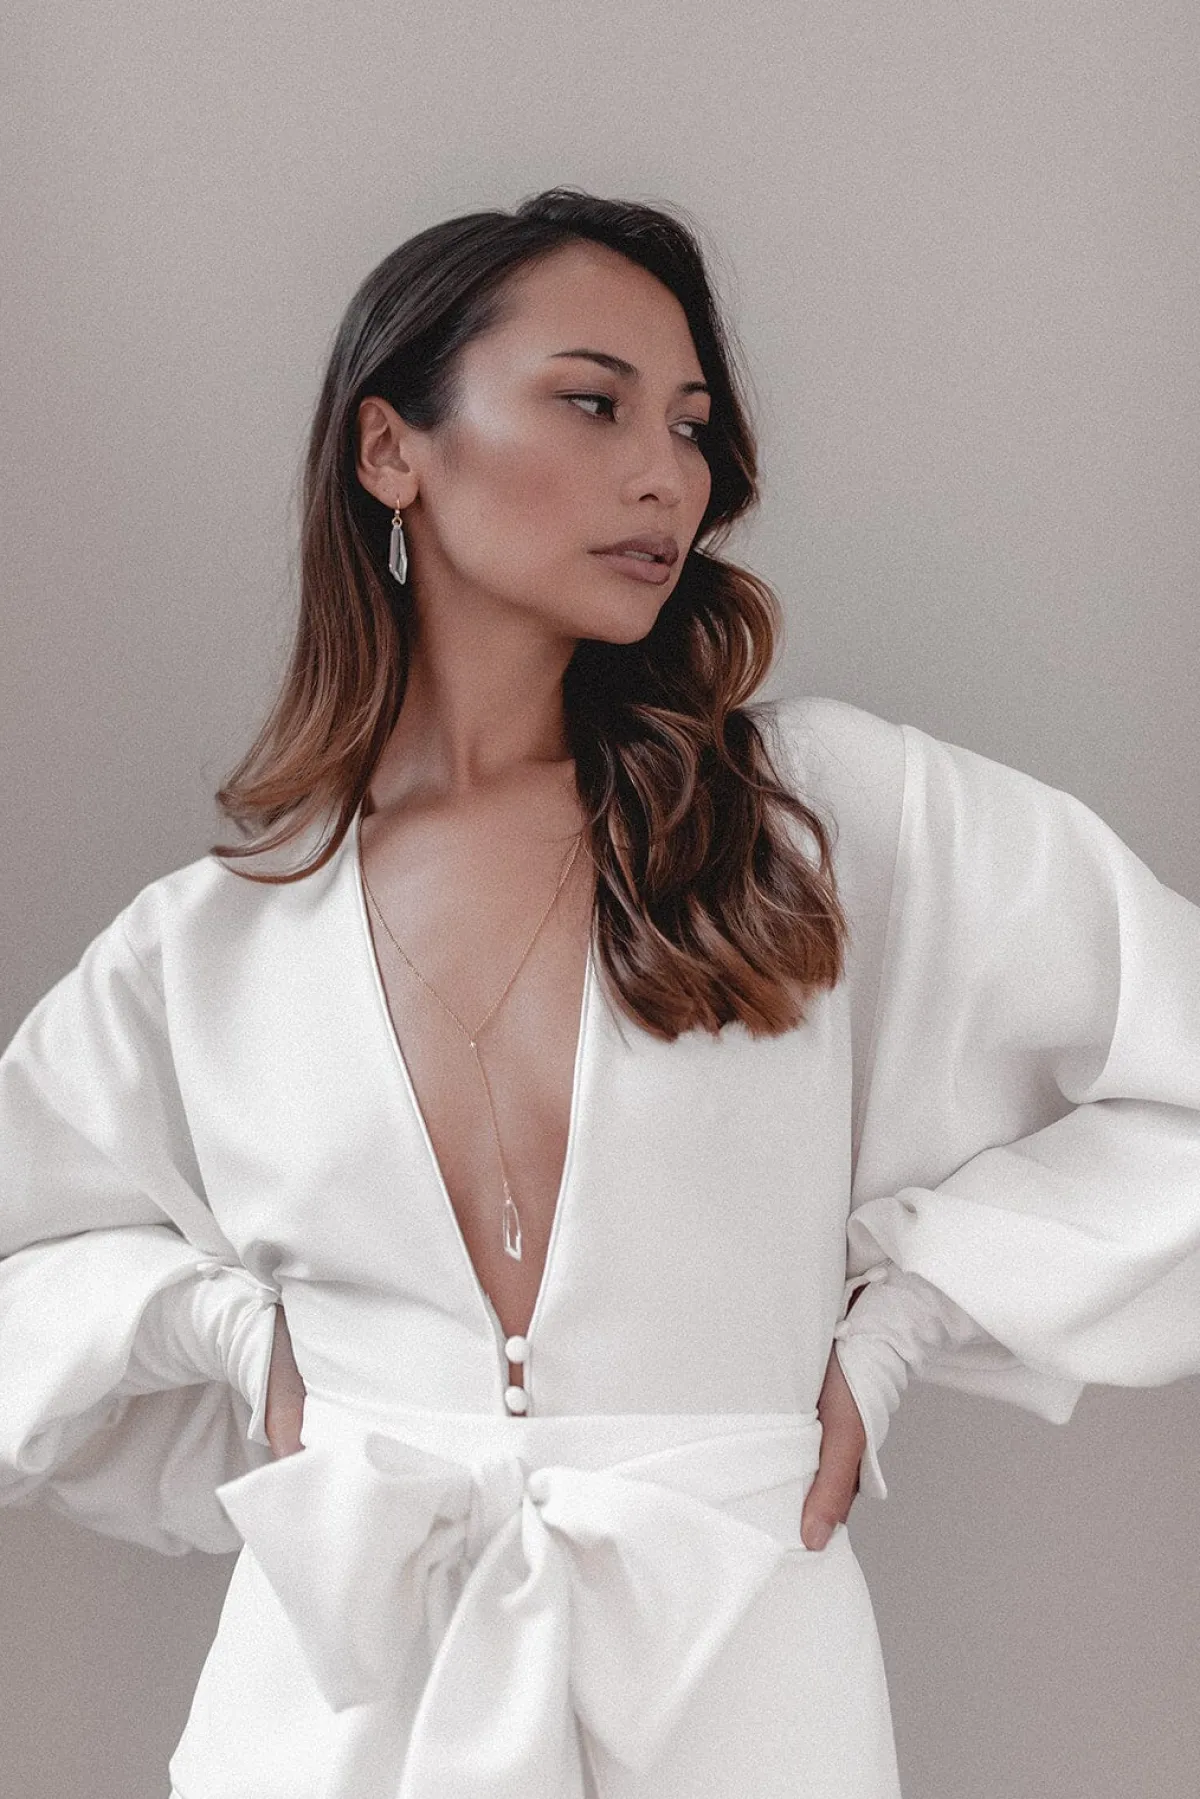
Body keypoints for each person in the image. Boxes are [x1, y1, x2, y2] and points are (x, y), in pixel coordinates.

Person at [2, 187, 1198, 1799]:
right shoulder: (211, 946)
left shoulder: (813, 826)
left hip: (741, 1692)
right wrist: (208, 1323)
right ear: (391, 450)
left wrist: (901, 1322)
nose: (667, 476)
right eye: (594, 402)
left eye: (690, 426)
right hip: (341, 1731)